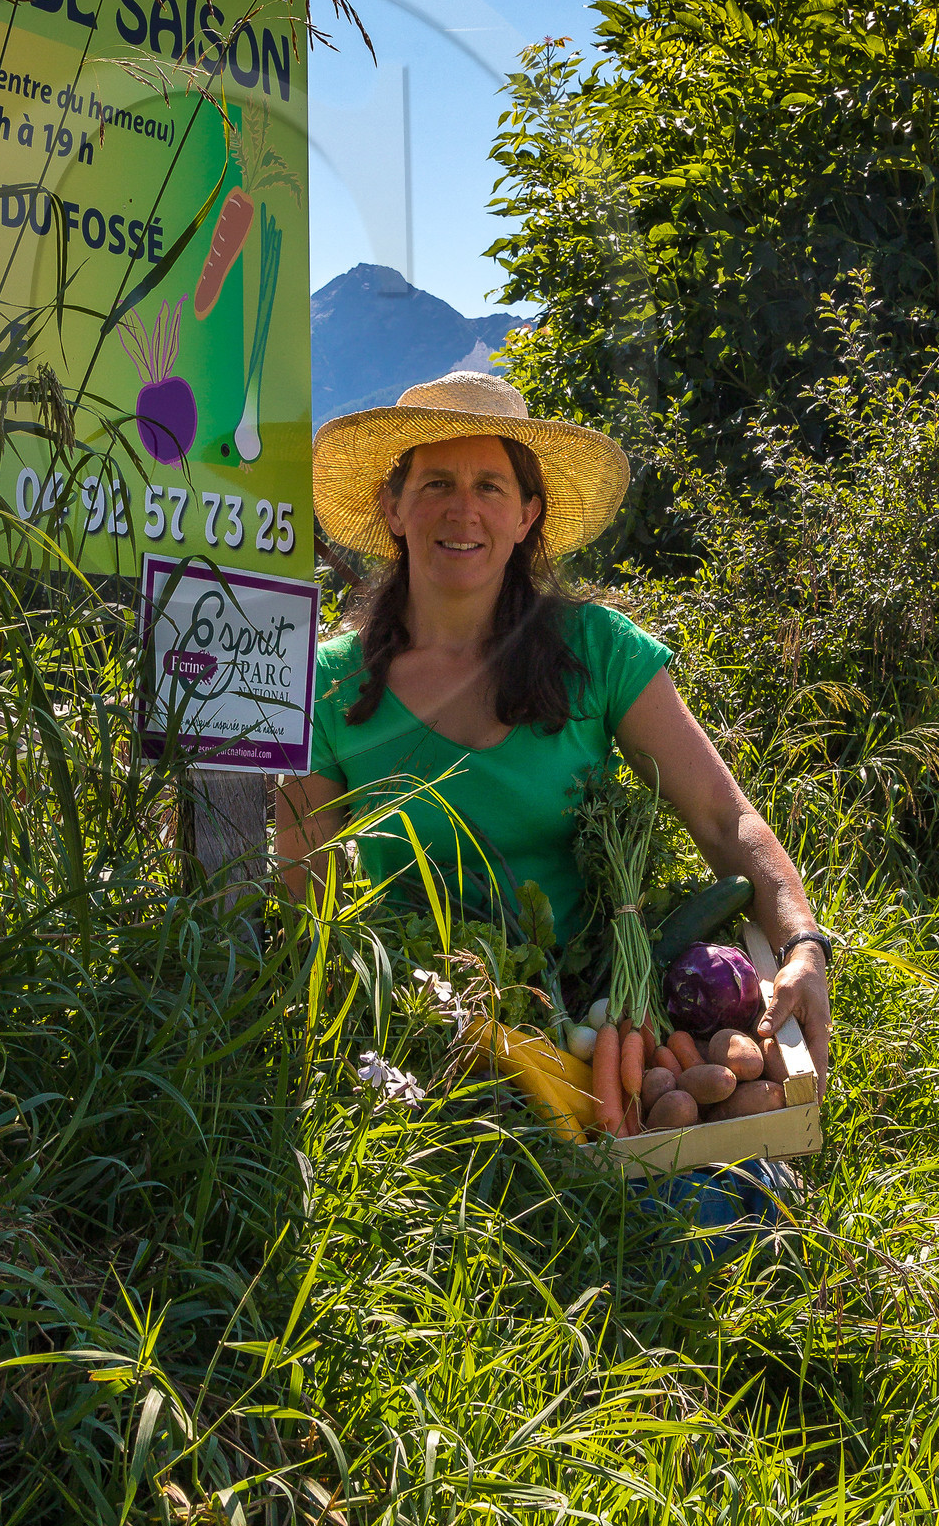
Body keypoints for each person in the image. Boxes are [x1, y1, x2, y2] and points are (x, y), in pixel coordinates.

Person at [280, 371, 833, 1108]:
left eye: (491, 487)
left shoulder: (598, 651)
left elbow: (722, 817)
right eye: (436, 483)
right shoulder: (322, 684)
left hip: (596, 1011)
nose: (462, 510)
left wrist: (802, 944)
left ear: (526, 514)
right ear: (393, 506)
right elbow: (305, 897)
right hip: (417, 1035)